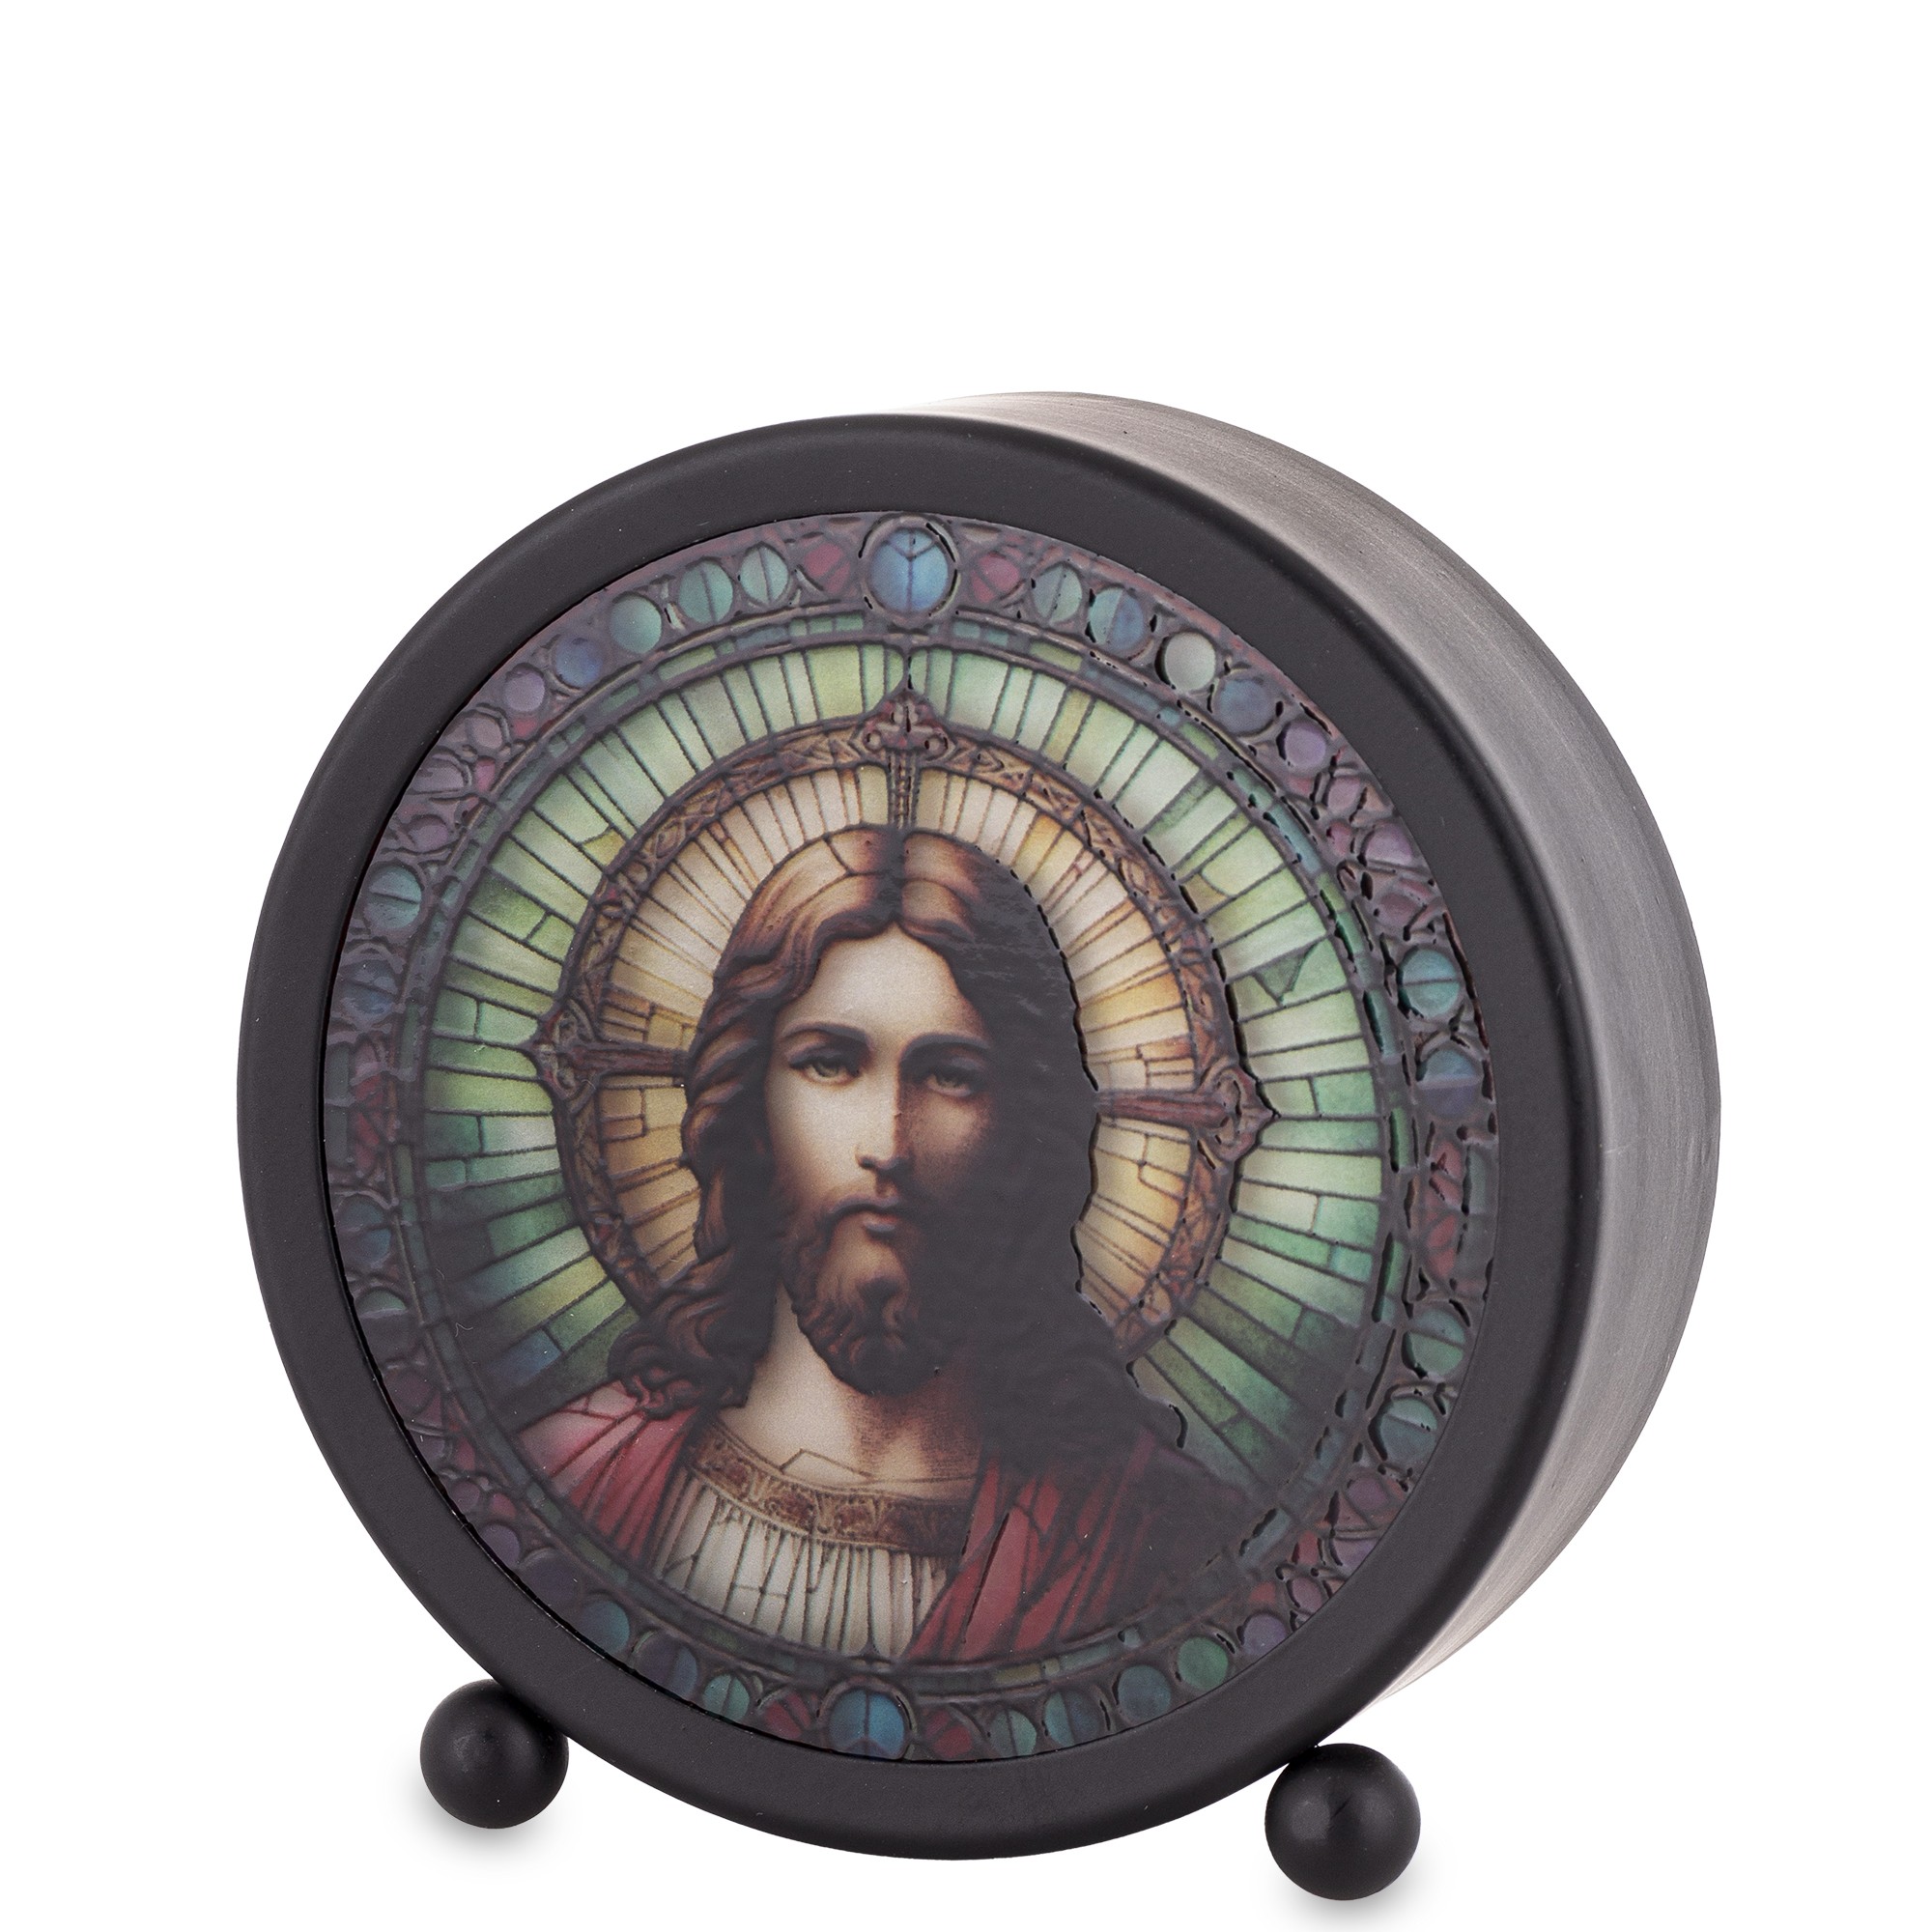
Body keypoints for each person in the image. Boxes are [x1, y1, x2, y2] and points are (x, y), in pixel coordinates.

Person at [522, 827, 1242, 1662]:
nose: (889, 1145)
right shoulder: (568, 1482)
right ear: (749, 1106)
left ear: (1023, 1129)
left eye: (951, 1076)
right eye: (830, 1064)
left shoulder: (1163, 1537)